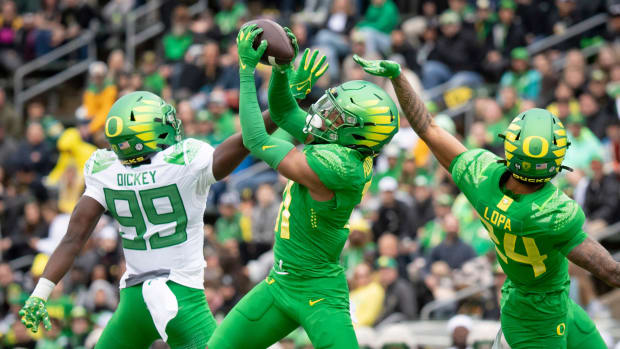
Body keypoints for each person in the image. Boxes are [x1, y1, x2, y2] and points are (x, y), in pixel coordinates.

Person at [19, 52, 325, 347]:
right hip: (181, 298)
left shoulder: (105, 168)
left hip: (134, 304)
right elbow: (247, 140)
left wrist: (40, 293)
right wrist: (286, 103)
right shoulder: (184, 161)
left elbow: (74, 238)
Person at [353, 55, 618, 348]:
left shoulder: (480, 175)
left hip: (539, 302)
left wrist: (399, 79)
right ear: (555, 162)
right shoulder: (553, 212)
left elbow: (428, 127)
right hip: (537, 318)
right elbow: (609, 270)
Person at [207, 25, 397, 349]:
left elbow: (255, 140)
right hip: (279, 282)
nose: (327, 114)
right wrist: (282, 72)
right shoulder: (342, 144)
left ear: (358, 134)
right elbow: (282, 112)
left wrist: (245, 71)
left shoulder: (342, 167)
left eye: (339, 117)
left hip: (317, 291)